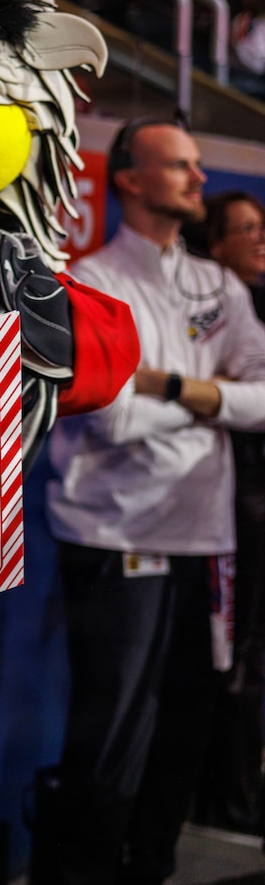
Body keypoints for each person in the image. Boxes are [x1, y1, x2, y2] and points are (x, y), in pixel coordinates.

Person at [45, 121, 265, 885]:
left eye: (201, 166)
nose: (199, 179)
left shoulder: (220, 286)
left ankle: (148, 882)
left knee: (186, 725)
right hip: (116, 536)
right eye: (182, 166)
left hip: (206, 540)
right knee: (111, 731)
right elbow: (109, 417)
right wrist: (214, 401)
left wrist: (169, 388)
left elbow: (261, 397)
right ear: (132, 178)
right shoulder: (94, 281)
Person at [192, 190, 265, 834]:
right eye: (245, 229)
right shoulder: (209, 307)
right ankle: (227, 800)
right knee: (232, 656)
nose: (260, 239)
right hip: (228, 503)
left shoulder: (251, 306)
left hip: (250, 500)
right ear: (214, 244)